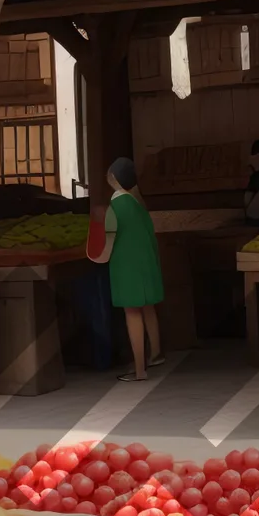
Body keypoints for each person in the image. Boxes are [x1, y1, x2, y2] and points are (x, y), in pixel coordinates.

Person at [96, 157, 165, 382]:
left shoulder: (114, 207)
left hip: (127, 267)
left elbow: (104, 247)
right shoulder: (138, 205)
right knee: (147, 308)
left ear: (113, 178)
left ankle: (139, 370)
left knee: (132, 313)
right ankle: (155, 354)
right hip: (146, 265)